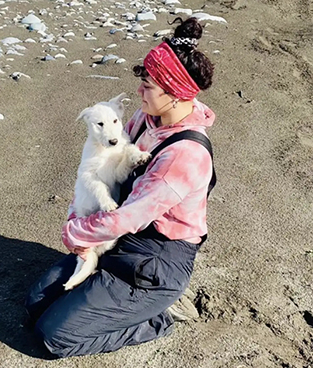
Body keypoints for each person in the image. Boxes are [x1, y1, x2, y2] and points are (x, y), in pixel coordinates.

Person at [24, 17, 216, 358]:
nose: (139, 92)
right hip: (121, 235)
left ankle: (159, 316)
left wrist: (76, 233)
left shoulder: (185, 155)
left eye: (149, 86)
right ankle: (112, 294)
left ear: (174, 94)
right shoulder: (146, 117)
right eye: (142, 81)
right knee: (35, 303)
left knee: (53, 336)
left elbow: (127, 218)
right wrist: (76, 214)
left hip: (157, 258)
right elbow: (100, 170)